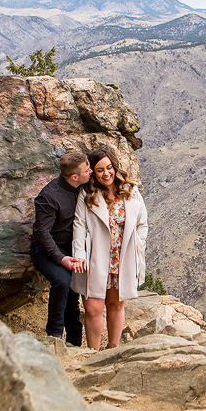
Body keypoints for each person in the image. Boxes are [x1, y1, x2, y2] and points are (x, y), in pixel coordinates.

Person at [72, 147, 148, 349]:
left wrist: (138, 246)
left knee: (116, 305)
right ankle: (93, 353)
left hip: (121, 257)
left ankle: (113, 349)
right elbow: (79, 225)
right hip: (95, 256)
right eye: (99, 170)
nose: (106, 173)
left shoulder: (130, 190)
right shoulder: (87, 194)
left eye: (109, 167)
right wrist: (79, 255)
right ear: (93, 173)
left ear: (114, 167)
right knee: (93, 308)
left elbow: (142, 223)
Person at [29, 150, 91, 346]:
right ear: (74, 177)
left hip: (70, 250)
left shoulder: (81, 187)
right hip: (46, 251)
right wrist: (60, 258)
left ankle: (75, 343)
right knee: (63, 282)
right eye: (87, 169)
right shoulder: (49, 196)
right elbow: (42, 234)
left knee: (72, 295)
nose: (90, 172)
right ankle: (53, 335)